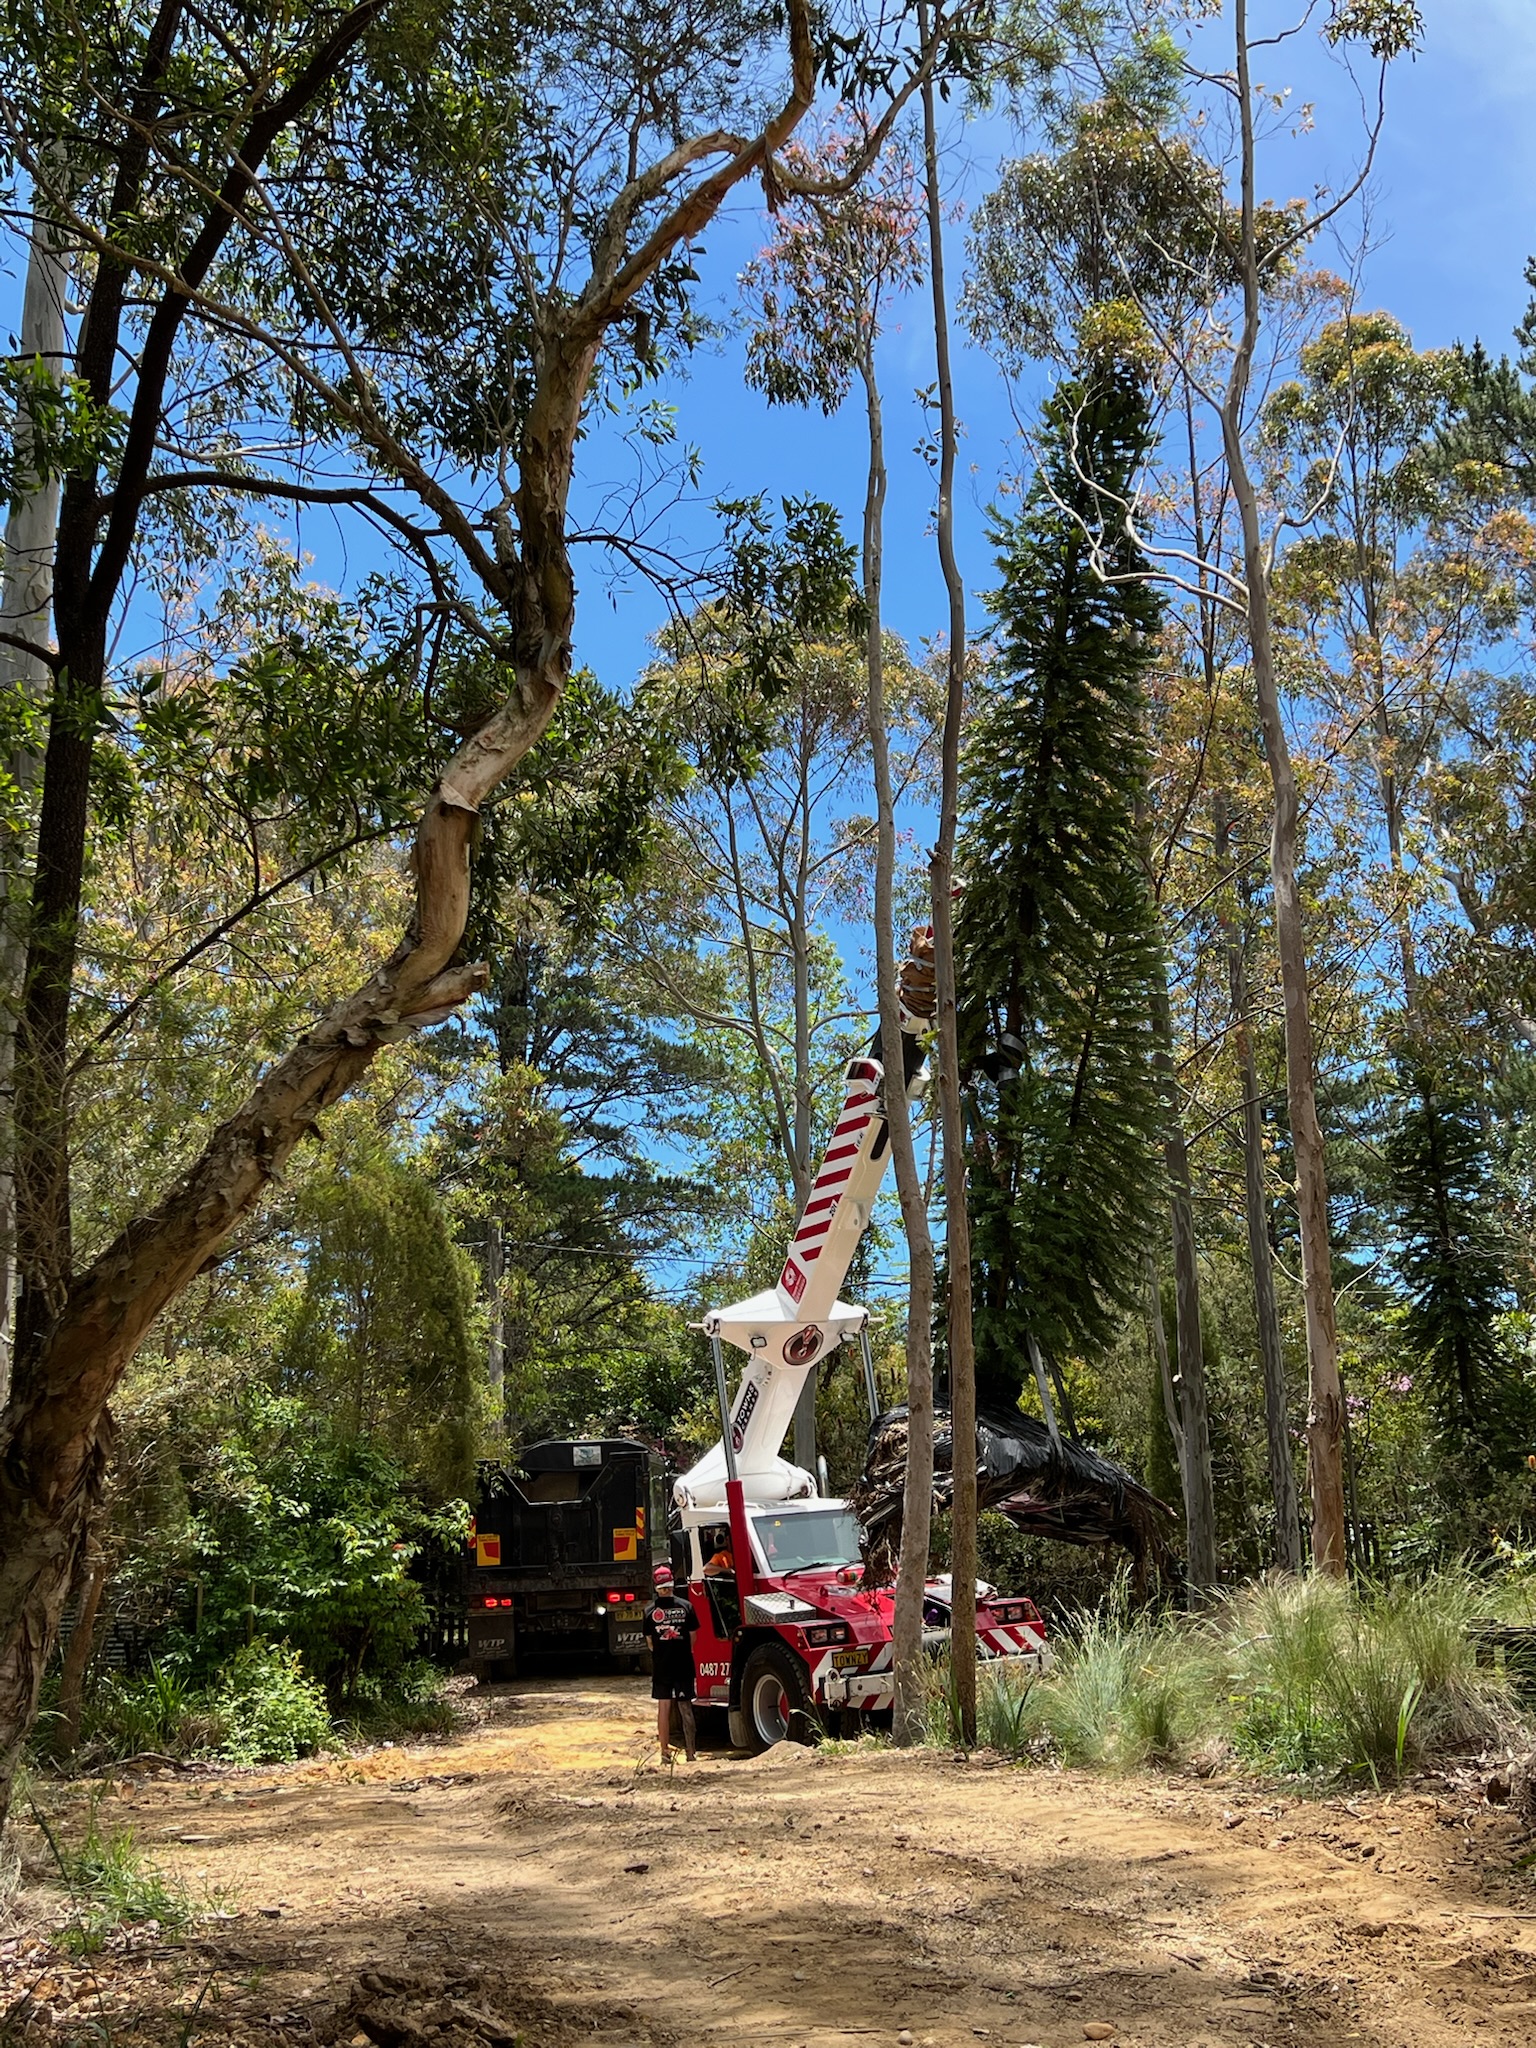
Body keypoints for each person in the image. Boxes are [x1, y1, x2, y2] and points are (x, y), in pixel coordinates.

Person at [641, 1562, 698, 1764]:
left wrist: (663, 1650)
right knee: (685, 1708)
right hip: (683, 1664)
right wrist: (681, 1649)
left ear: (656, 1585)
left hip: (662, 1666)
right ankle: (691, 1754)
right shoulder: (687, 1607)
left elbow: (650, 1643)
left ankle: (665, 1754)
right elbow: (693, 1637)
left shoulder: (649, 1612)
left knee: (663, 1709)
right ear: (672, 1584)